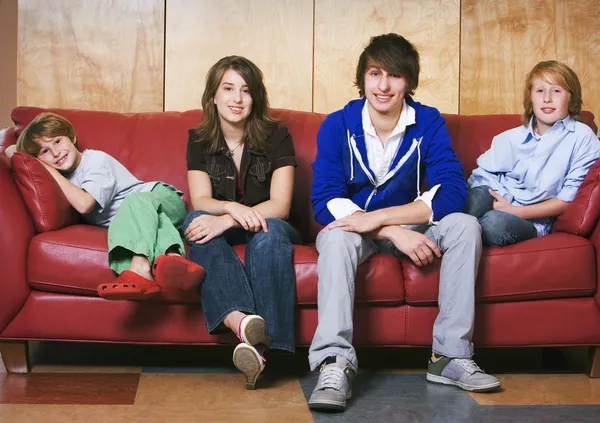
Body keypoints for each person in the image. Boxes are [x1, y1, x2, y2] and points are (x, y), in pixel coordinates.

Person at [308, 33, 501, 412]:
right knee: (333, 240)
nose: (383, 85)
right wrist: (390, 231)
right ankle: (335, 362)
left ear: (408, 82)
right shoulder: (337, 124)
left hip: (406, 224)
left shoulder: (427, 122)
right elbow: (325, 200)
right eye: (375, 73)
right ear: (362, 78)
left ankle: (449, 356)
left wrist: (384, 219)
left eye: (394, 76)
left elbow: (451, 192)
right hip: (358, 232)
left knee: (465, 224)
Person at [182, 55, 301, 390]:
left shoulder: (278, 137)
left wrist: (225, 222)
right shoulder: (198, 139)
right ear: (213, 97)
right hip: (229, 217)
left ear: (256, 98)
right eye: (228, 89)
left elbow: (281, 205)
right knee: (195, 221)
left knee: (270, 232)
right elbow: (201, 200)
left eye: (246, 91)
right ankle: (244, 324)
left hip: (272, 223)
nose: (237, 98)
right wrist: (231, 210)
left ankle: (263, 347)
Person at [7, 112, 204, 300]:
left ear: (72, 138)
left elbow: (84, 205)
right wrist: (38, 162)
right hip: (148, 221)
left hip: (162, 199)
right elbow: (10, 150)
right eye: (45, 151)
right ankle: (173, 260)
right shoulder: (64, 179)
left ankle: (139, 269)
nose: (56, 152)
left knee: (134, 202)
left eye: (57, 141)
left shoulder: (95, 161)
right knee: (139, 225)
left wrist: (48, 169)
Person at [466, 60, 600, 246]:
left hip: (528, 220)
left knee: (493, 222)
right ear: (531, 99)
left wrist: (513, 211)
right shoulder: (509, 138)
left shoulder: (582, 137)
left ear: (571, 99)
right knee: (469, 198)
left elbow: (568, 200)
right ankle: (438, 231)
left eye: (556, 91)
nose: (547, 98)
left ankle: (457, 230)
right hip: (496, 199)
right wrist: (496, 196)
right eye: (539, 91)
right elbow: (480, 177)